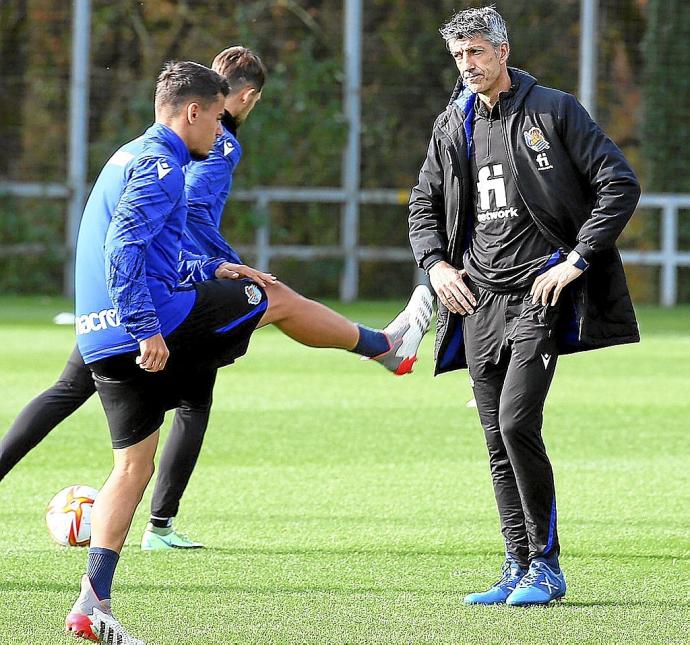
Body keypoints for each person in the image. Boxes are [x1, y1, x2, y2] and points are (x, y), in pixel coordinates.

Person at [0, 46, 433, 554]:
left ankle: (105, 586)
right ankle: (383, 347)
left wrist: (206, 268)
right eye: (221, 112)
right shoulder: (201, 151)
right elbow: (175, 225)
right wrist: (203, 275)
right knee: (263, 308)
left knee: (99, 419)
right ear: (223, 102)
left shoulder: (131, 150)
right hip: (153, 302)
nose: (222, 126)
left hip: (112, 309)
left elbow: (151, 233)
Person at [408, 6, 640, 607]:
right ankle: (514, 564)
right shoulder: (452, 124)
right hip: (477, 298)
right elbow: (422, 206)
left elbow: (619, 183)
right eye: (459, 56)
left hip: (538, 294)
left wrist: (577, 259)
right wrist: (437, 266)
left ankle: (547, 566)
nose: (468, 65)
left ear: (502, 51)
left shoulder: (553, 110)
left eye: (477, 53)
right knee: (494, 436)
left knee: (516, 423)